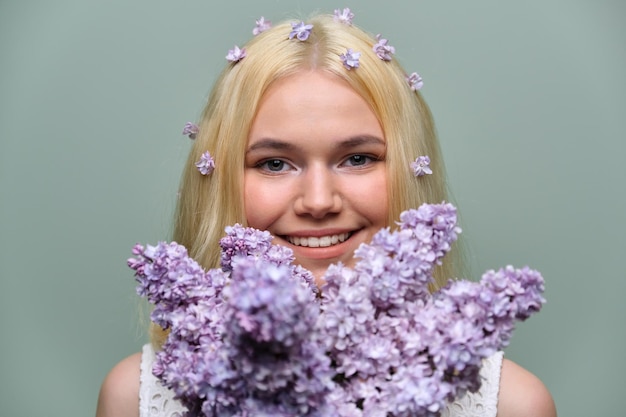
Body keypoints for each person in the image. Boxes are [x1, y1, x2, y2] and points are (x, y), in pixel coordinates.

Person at [96, 10, 556, 417]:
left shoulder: (511, 406)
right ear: (219, 183)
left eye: (358, 158)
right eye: (274, 163)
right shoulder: (136, 399)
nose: (318, 202)